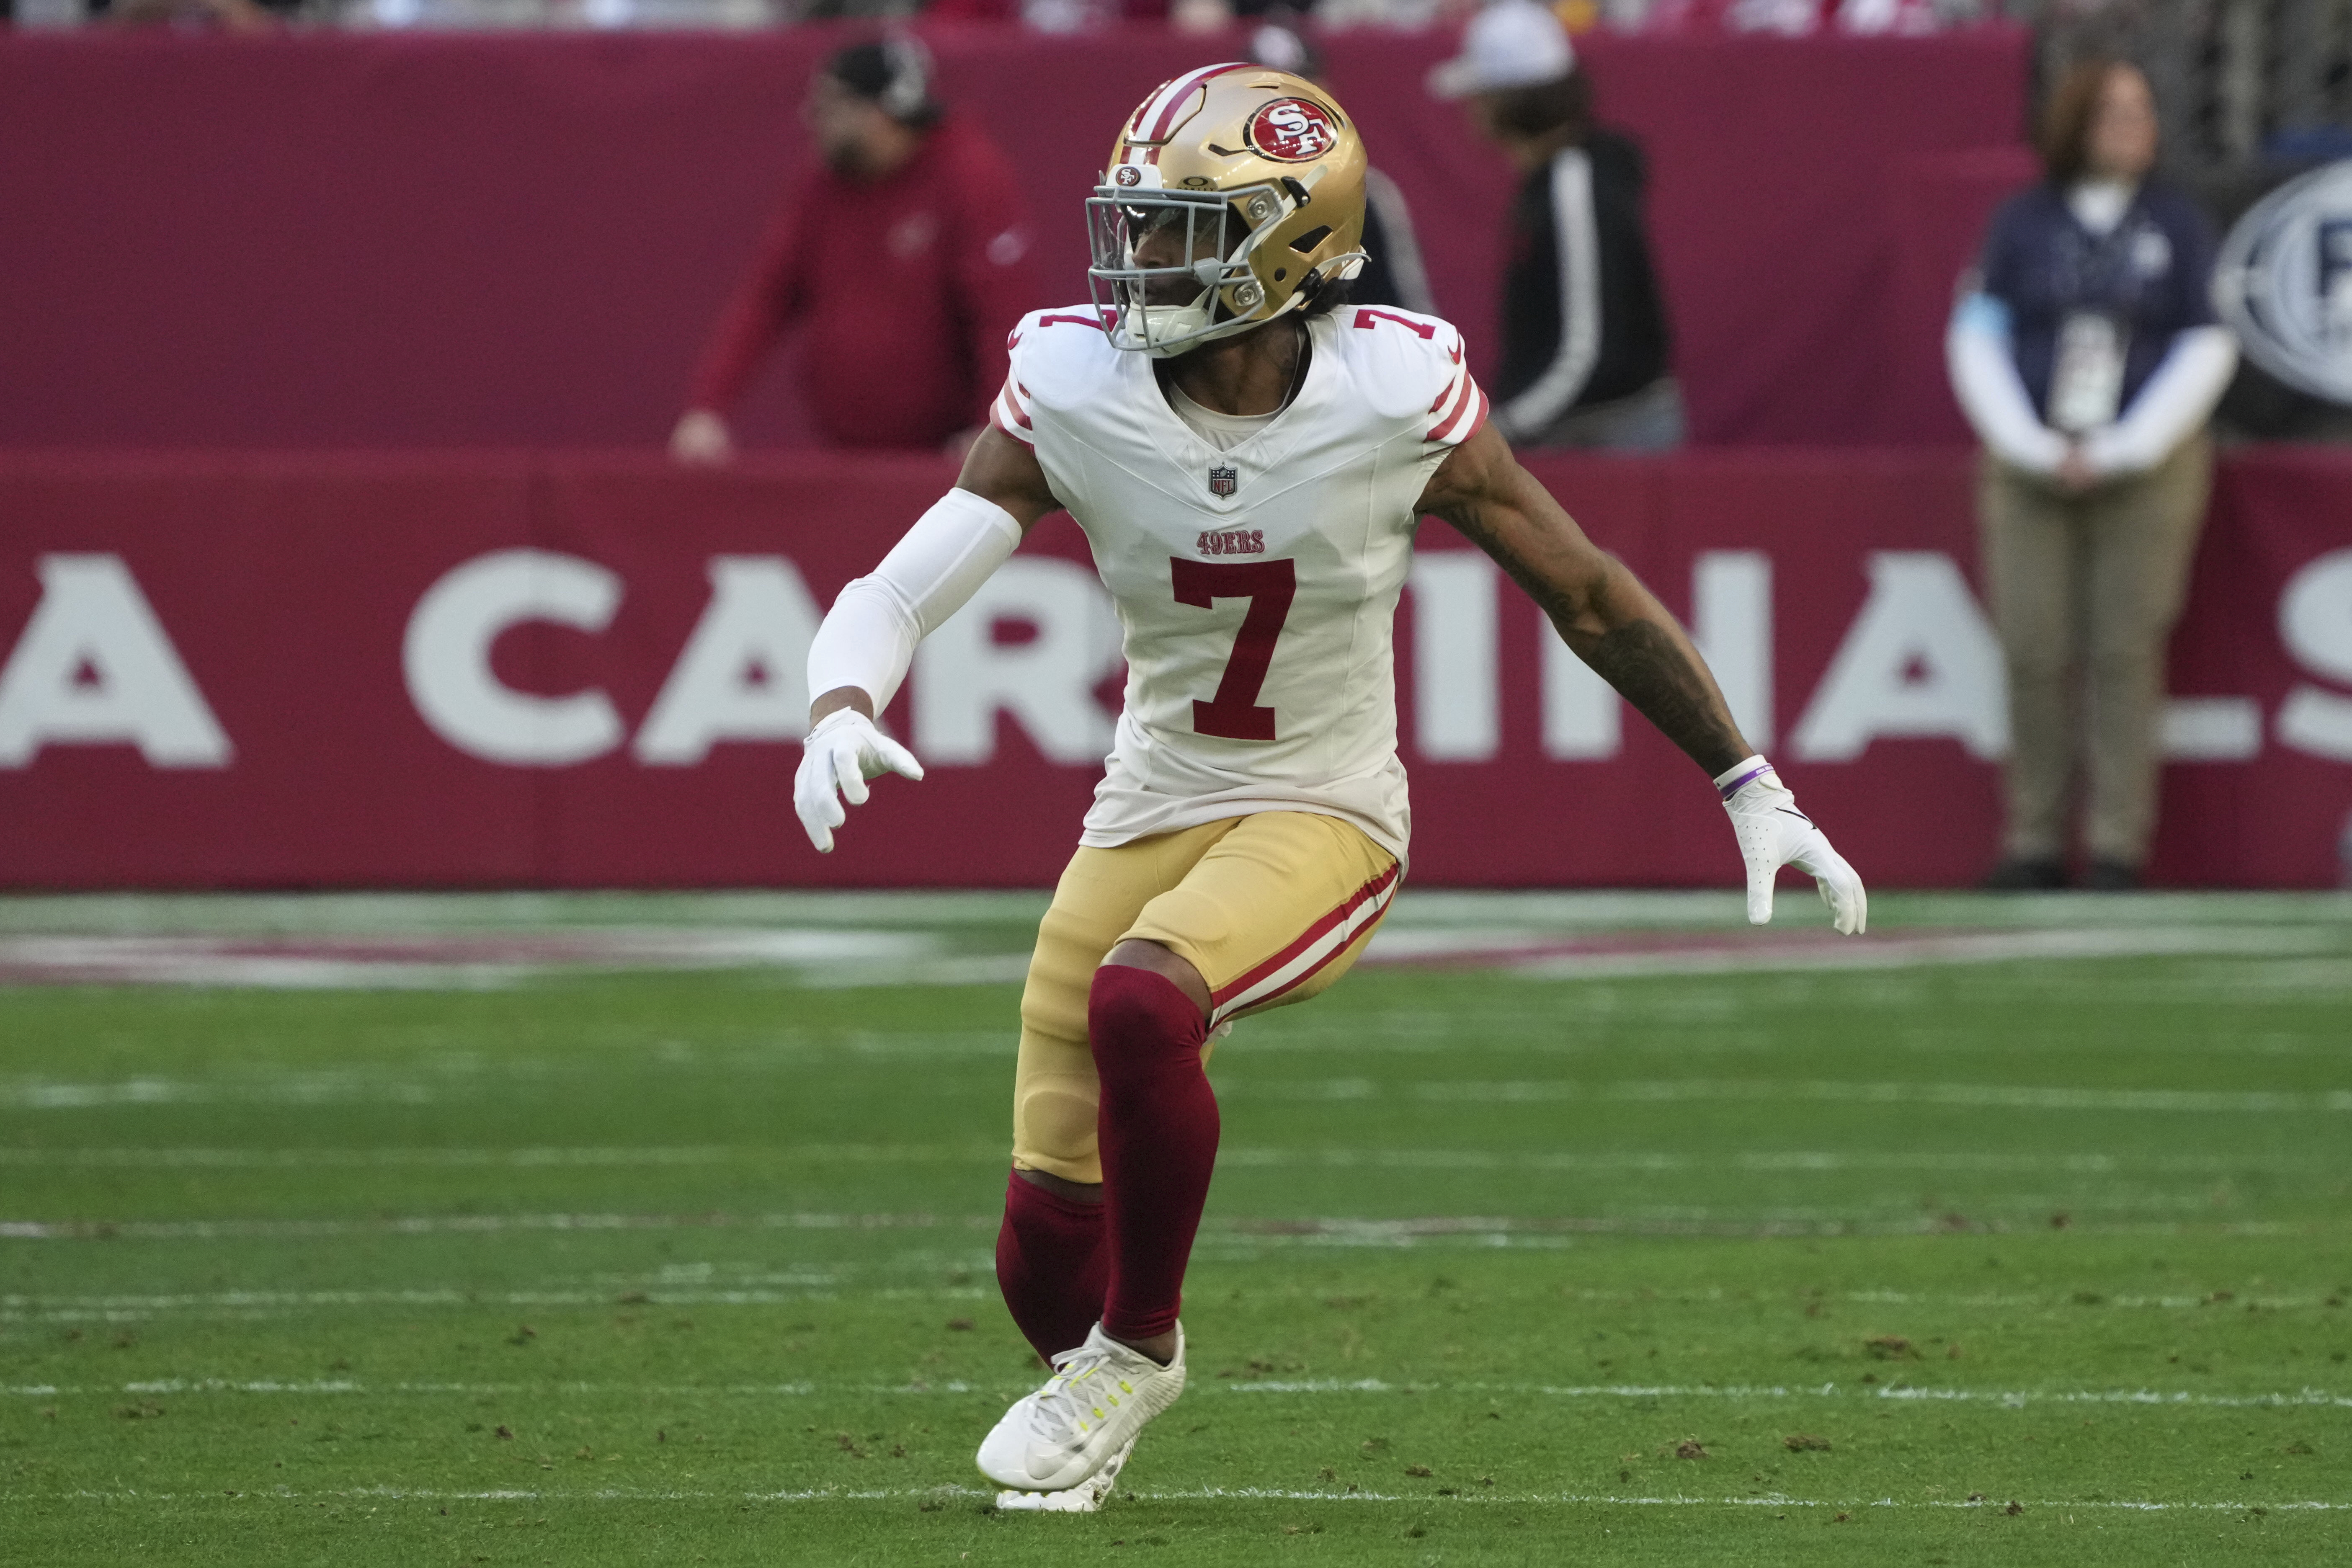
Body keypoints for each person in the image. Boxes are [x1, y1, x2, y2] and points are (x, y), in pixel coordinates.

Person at [790, 62, 1865, 1511]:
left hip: (1326, 810)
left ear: (1286, 246)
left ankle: (1140, 1347)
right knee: (1039, 1242)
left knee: (1144, 999)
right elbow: (899, 586)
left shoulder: (1389, 392)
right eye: (1135, 225)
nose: (1137, 263)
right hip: (1149, 797)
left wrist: (1746, 780)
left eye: (1179, 231)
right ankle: (1089, 1369)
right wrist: (839, 696)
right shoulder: (1075, 380)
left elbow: (1588, 593)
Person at [1947, 59, 2236, 892]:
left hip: (2147, 464)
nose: (2133, 127)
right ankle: (2034, 836)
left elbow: (2206, 342)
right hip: (2031, 459)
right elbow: (1975, 335)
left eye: (2143, 112)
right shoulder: (2021, 225)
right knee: (2032, 646)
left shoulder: (2177, 225)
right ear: (2074, 123)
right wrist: (2031, 445)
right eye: (2115, 112)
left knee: (2124, 649)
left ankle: (2117, 842)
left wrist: (2126, 448)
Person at [671, 37, 1042, 462]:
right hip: (844, 445)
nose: (814, 120)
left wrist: (994, 427)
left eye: (830, 106)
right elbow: (766, 298)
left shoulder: (968, 175)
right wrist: (707, 407)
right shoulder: (823, 186)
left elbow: (1003, 314)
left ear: (878, 113)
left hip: (946, 451)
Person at [1430, 0, 1681, 451]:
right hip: (1586, 430)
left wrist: (1500, 431)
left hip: (1607, 439)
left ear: (1506, 100)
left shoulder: (1573, 180)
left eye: (1478, 95)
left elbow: (1588, 349)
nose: (1469, 110)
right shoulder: (1559, 179)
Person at [1247, 15, 1439, 316]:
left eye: (1299, 90)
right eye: (1266, 92)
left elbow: (1402, 314)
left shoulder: (1366, 193)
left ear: (1327, 94)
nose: (1284, 109)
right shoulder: (1211, 190)